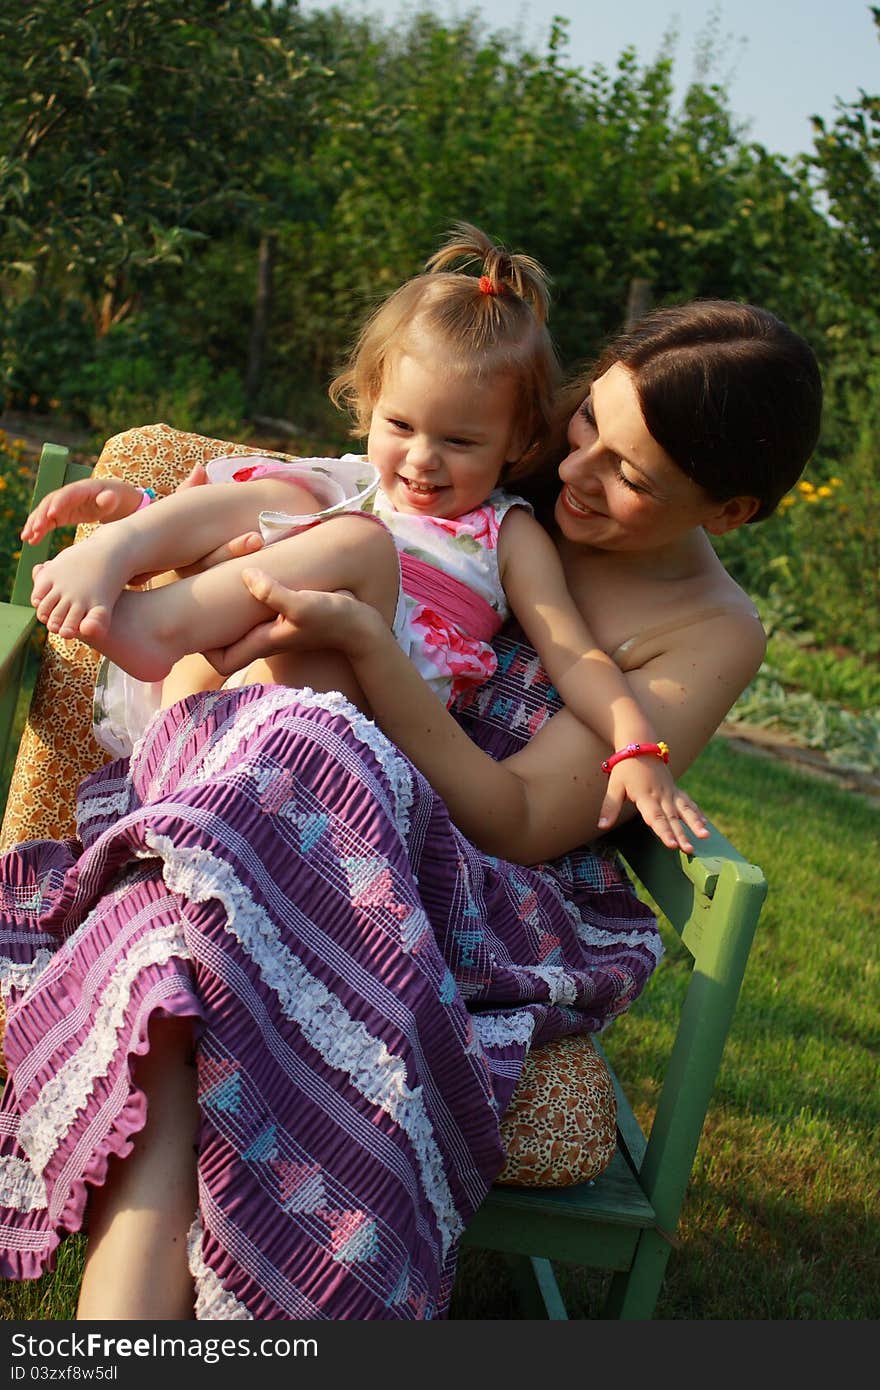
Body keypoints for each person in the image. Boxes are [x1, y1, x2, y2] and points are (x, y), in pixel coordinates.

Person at [0, 296, 822, 1321]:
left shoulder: (705, 627)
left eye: (628, 475)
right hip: (241, 771)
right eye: (582, 429)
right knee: (224, 866)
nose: (576, 474)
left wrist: (372, 654)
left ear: (730, 509)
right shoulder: (502, 457)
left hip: (426, 861)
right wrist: (153, 515)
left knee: (173, 956)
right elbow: (330, 491)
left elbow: (520, 821)